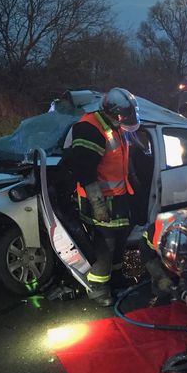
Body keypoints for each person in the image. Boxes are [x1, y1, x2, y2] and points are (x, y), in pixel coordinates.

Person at [62, 87, 139, 306]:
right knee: (104, 245)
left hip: (118, 197)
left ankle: (116, 280)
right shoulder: (89, 128)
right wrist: (98, 205)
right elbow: (84, 171)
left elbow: (123, 156)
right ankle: (97, 288)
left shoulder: (115, 125)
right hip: (99, 200)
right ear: (113, 112)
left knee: (119, 241)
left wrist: (133, 180)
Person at [140, 210, 187, 302]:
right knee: (160, 290)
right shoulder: (153, 233)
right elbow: (148, 256)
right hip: (167, 258)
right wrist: (161, 277)